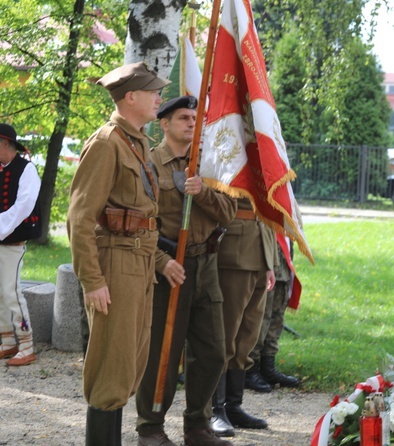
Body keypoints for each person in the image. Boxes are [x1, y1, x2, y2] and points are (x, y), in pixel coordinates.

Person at [67, 61, 169, 446]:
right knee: (112, 364)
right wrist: (92, 281)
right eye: (153, 91)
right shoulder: (107, 142)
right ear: (131, 97)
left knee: (130, 362)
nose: (160, 97)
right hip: (116, 263)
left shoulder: (138, 141)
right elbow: (80, 218)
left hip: (140, 261)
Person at [134, 95, 236, 446]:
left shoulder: (209, 164)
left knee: (213, 351)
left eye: (195, 118)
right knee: (162, 352)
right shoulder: (150, 164)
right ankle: (150, 427)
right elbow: (139, 223)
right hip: (168, 269)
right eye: (183, 118)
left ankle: (197, 426)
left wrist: (204, 192)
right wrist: (162, 263)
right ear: (164, 124)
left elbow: (229, 213)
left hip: (205, 265)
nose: (192, 123)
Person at [210, 198, 277, 438]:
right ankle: (215, 410)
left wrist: (269, 260)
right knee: (225, 336)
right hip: (234, 251)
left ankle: (233, 406)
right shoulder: (223, 158)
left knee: (246, 338)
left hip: (259, 250)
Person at [0, 123, 41, 367]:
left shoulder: (27, 170)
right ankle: (7, 341)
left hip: (13, 240)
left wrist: (1, 226)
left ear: (5, 143)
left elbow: (24, 205)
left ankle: (26, 344)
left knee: (12, 292)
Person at [244, 237, 300, 392]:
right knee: (261, 314)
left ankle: (268, 366)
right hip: (265, 249)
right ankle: (250, 368)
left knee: (277, 313)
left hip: (281, 253)